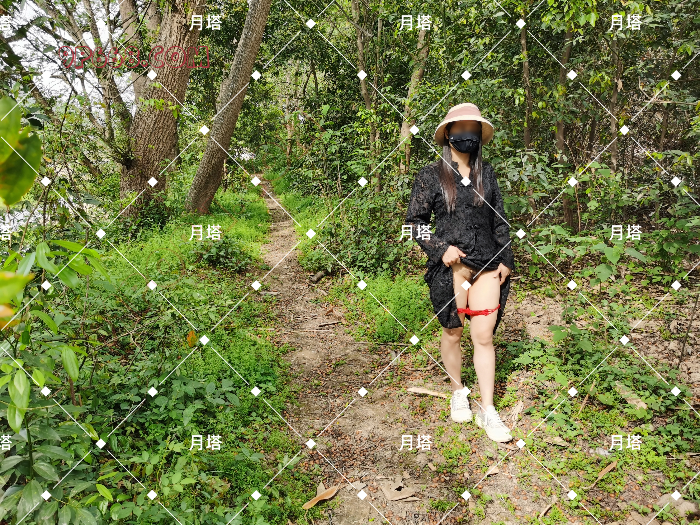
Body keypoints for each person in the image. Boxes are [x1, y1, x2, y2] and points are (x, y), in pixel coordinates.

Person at [405, 103, 515, 442]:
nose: (467, 134)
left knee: (483, 336)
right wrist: (441, 248)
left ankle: (488, 409)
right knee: (453, 331)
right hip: (452, 268)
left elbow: (499, 219)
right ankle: (457, 391)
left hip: (488, 265)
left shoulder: (487, 174)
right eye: (461, 128)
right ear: (448, 134)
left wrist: (507, 258)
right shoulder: (430, 176)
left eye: (473, 129)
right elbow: (414, 224)